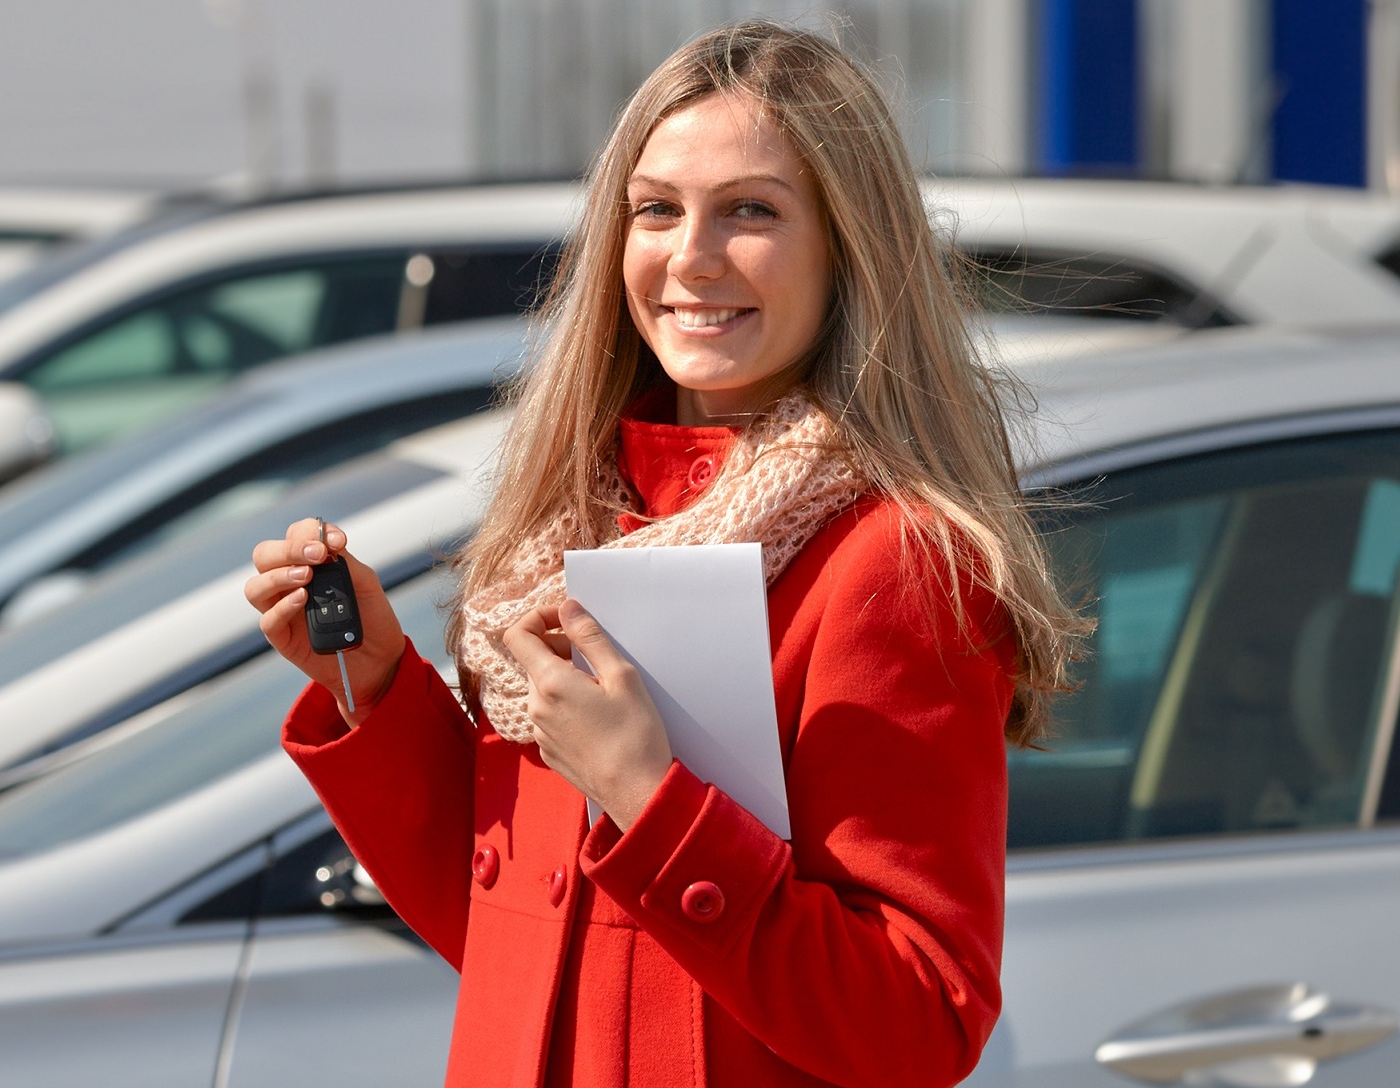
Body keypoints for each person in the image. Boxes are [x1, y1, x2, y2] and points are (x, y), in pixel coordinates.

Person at [243, 20, 1084, 1088]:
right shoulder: (571, 520)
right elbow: (516, 937)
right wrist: (371, 683)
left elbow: (921, 1021)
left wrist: (651, 795)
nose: (691, 257)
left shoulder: (896, 560)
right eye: (657, 209)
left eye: (751, 211)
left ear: (847, 244)